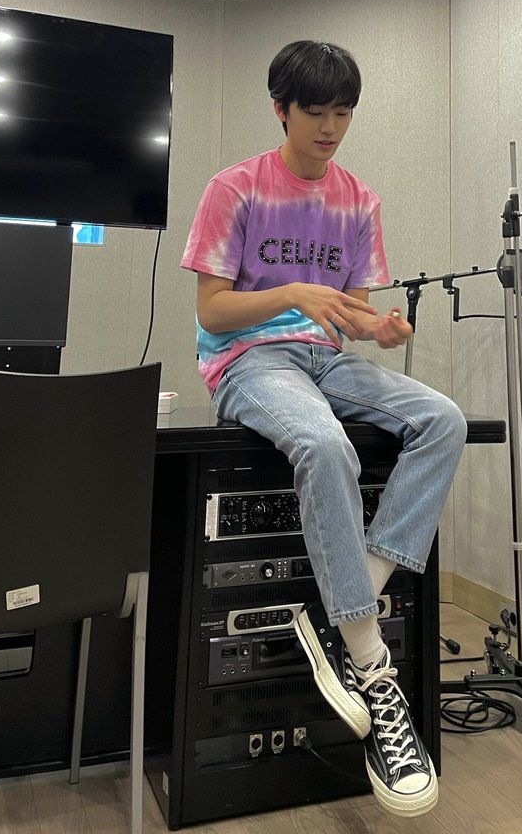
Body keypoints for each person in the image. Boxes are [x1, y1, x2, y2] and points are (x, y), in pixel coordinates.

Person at [181, 40, 467, 818]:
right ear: (281, 109)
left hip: (327, 361)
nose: (331, 128)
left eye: (343, 113)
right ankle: (370, 661)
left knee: (442, 419)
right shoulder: (235, 188)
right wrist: (293, 293)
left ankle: (343, 613)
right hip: (249, 361)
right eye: (316, 112)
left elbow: (352, 314)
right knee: (323, 443)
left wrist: (381, 329)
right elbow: (212, 311)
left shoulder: (358, 200)